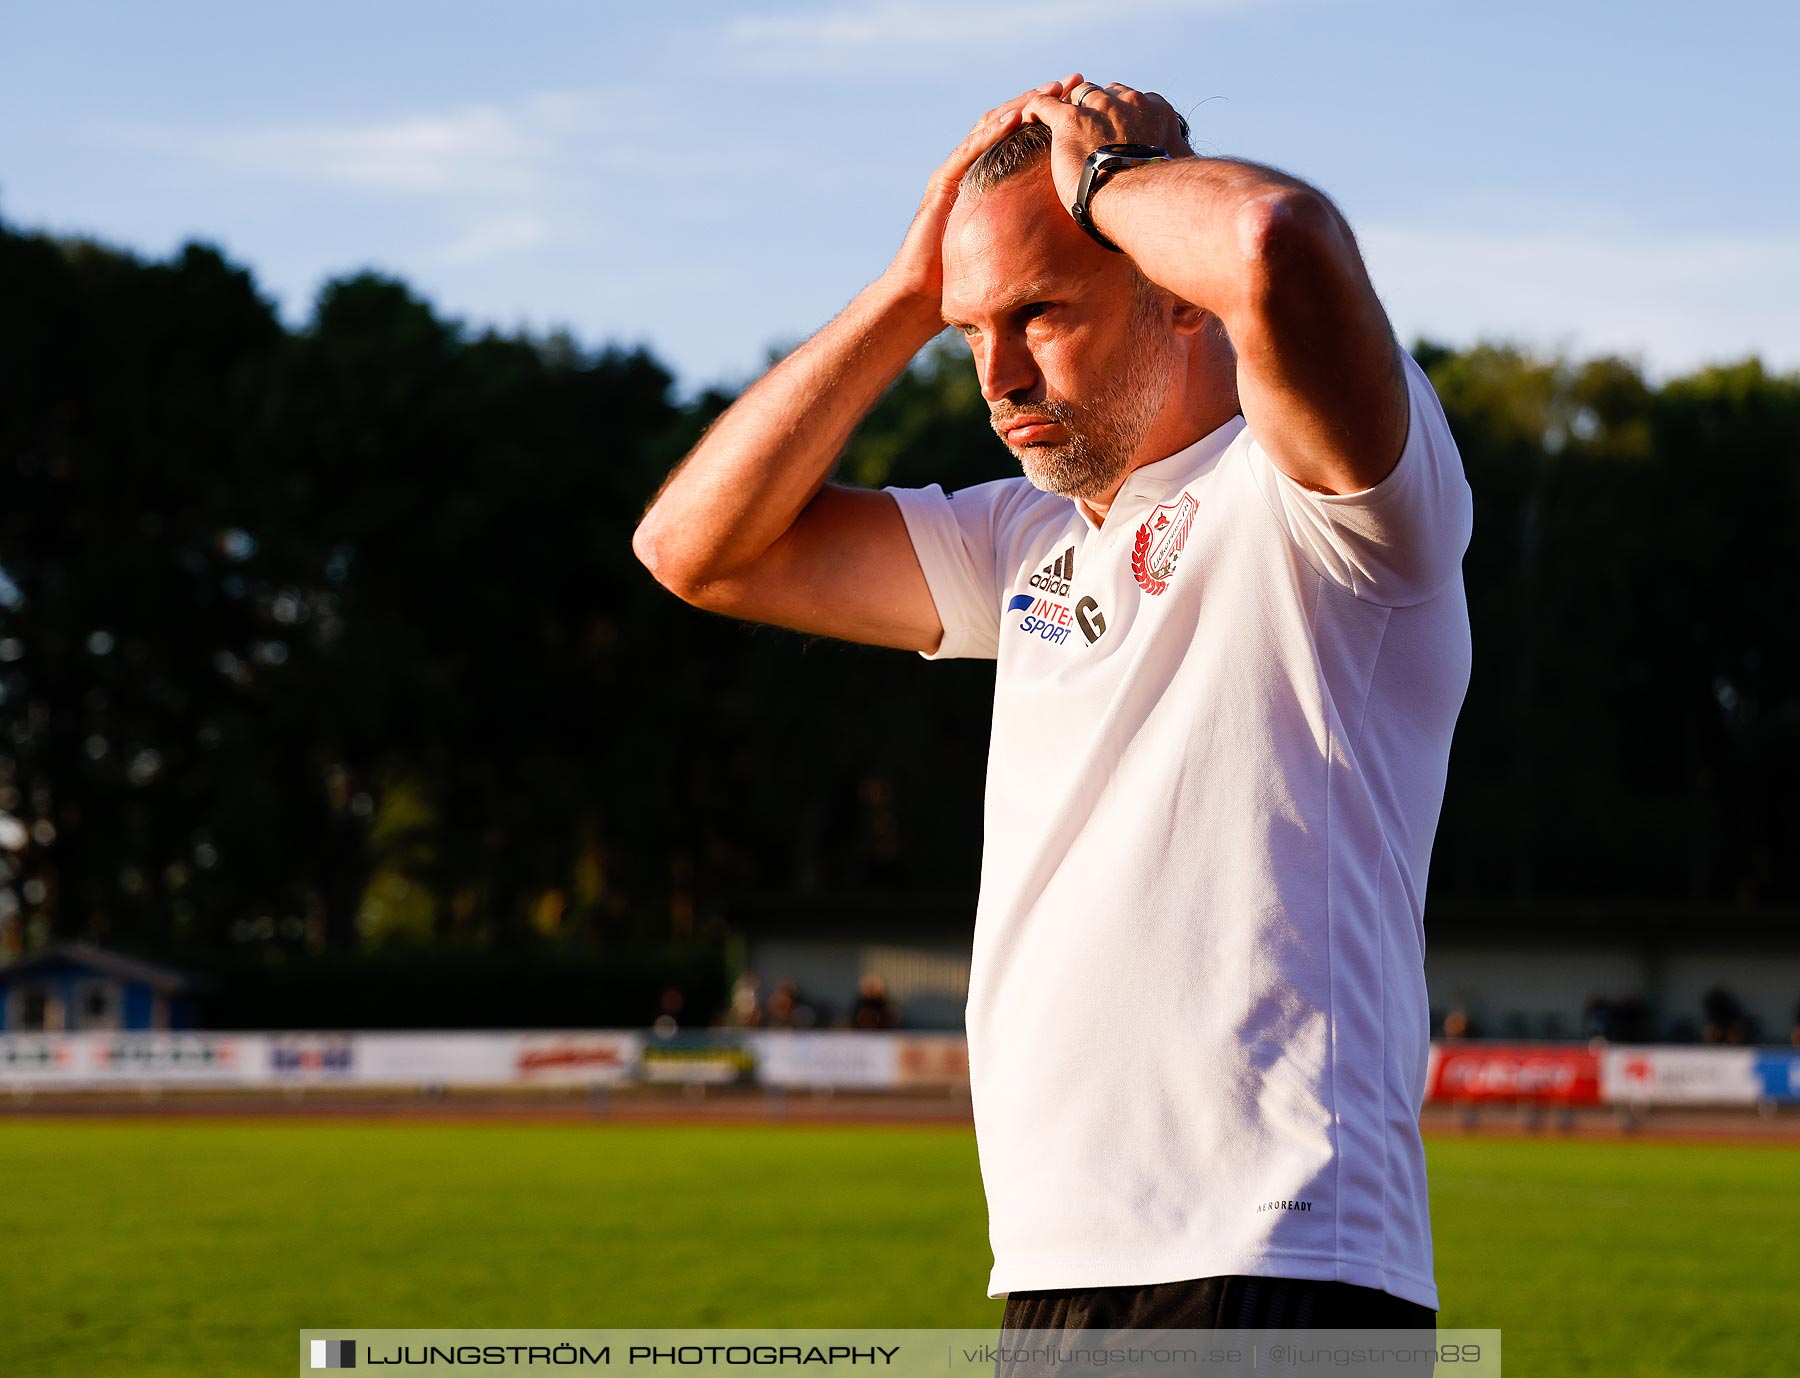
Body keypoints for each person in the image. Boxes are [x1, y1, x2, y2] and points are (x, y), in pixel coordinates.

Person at [634, 75, 1470, 1353]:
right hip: (1058, 1260)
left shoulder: (1318, 501)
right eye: (969, 332)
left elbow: (1276, 241)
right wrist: (909, 291)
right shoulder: (1021, 539)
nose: (997, 372)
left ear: (1171, 287)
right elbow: (695, 550)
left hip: (1280, 1254)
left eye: (1039, 312)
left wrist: (1117, 179)